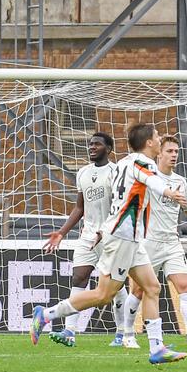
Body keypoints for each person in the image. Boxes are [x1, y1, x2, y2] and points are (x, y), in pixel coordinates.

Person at [31, 123, 187, 365]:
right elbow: (153, 182)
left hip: (129, 237)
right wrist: (169, 192)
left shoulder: (123, 163)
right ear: (148, 142)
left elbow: (120, 199)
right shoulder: (141, 162)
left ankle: (156, 348)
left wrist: (104, 231)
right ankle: (46, 314)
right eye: (157, 137)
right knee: (104, 294)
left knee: (152, 287)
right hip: (123, 237)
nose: (160, 140)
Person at [121, 135, 187, 349]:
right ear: (159, 153)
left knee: (185, 284)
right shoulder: (147, 177)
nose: (174, 155)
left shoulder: (180, 182)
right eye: (169, 151)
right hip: (148, 242)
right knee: (138, 290)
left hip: (171, 242)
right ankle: (127, 334)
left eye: (176, 151)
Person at [43, 132, 127, 348]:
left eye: (97, 144)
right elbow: (80, 208)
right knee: (79, 278)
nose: (91, 147)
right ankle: (69, 331)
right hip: (88, 236)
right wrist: (61, 233)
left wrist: (107, 231)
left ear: (108, 149)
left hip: (111, 236)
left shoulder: (116, 172)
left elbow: (121, 207)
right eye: (90, 144)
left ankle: (121, 333)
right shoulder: (83, 173)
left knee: (115, 287)